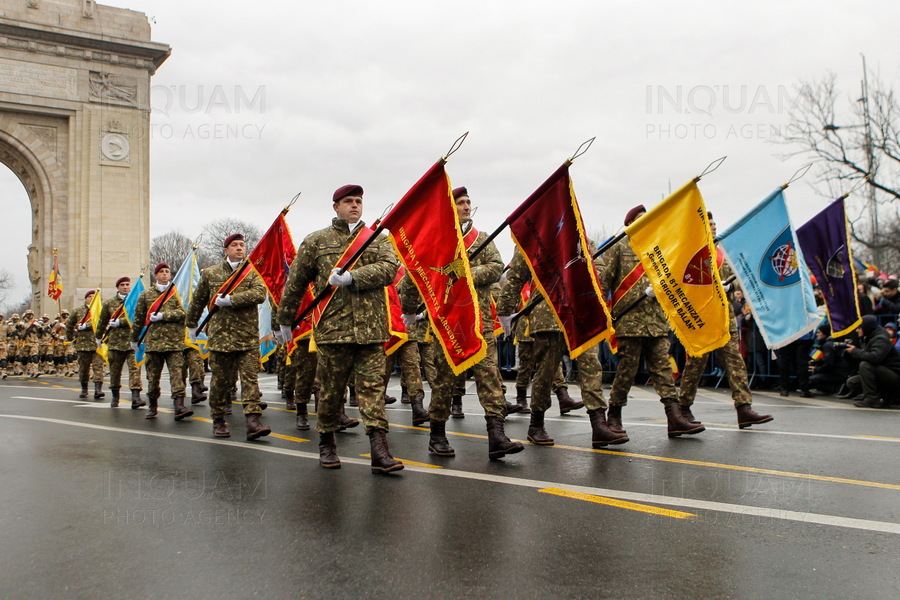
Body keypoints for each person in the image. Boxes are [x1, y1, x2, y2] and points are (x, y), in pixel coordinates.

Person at [277, 184, 403, 473]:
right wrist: (284, 320)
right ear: (336, 206)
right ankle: (326, 442)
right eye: (348, 201)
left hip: (371, 331)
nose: (355, 205)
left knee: (372, 391)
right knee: (331, 392)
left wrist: (352, 277)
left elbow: (388, 269)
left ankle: (379, 449)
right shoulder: (316, 241)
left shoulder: (377, 239)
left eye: (358, 201)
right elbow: (295, 284)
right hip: (334, 331)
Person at [403, 186, 524, 460]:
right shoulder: (436, 241)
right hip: (448, 323)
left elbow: (495, 267)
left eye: (469, 202)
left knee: (490, 377)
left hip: (479, 323)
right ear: (450, 209)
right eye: (460, 203)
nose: (467, 206)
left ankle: (497, 435)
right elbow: (415, 274)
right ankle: (437, 434)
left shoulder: (481, 238)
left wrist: (465, 272)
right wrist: (410, 309)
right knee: (445, 381)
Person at [498, 247, 626, 448]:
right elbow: (515, 276)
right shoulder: (535, 239)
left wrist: (582, 266)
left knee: (591, 366)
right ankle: (536, 424)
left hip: (580, 312)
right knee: (547, 372)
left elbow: (600, 273)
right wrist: (504, 310)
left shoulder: (581, 240)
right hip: (548, 312)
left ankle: (599, 424)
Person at [598, 205, 703, 438]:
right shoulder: (619, 246)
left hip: (655, 321)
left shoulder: (658, 248)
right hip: (629, 321)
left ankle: (674, 417)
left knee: (663, 370)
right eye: (640, 219)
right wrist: (602, 314)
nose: (645, 222)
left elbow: (671, 280)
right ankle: (613, 415)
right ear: (630, 223)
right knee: (627, 371)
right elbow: (604, 283)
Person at [677, 214, 773, 428]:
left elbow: (735, 280)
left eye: (714, 224)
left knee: (735, 360)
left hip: (724, 316)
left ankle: (744, 408)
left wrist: (730, 287)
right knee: (696, 364)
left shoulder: (721, 253)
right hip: (701, 316)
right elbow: (686, 282)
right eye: (708, 224)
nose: (713, 227)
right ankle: (683, 408)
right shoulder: (691, 251)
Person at [187, 234, 271, 440]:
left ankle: (253, 421)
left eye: (242, 245)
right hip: (220, 338)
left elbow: (260, 294)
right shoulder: (210, 273)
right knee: (220, 382)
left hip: (247, 337)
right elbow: (197, 301)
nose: (240, 248)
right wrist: (191, 324)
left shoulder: (251, 272)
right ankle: (218, 419)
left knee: (251, 380)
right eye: (235, 245)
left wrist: (232, 300)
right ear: (226, 250)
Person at [133, 263, 190, 420]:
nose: (165, 274)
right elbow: (138, 319)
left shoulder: (177, 293)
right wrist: (134, 339)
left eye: (167, 271)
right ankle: (152, 405)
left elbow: (184, 313)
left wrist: (164, 316)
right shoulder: (146, 295)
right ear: (156, 275)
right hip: (154, 344)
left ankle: (179, 405)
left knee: (177, 375)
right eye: (161, 272)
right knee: (153, 377)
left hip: (175, 343)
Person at [97, 277, 145, 408]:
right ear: (117, 287)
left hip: (132, 342)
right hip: (115, 343)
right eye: (122, 285)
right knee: (115, 372)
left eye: (127, 284)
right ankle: (115, 396)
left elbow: (139, 318)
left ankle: (136, 397)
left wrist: (121, 322)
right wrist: (98, 337)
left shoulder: (136, 301)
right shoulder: (110, 303)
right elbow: (102, 321)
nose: (125, 287)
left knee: (135, 370)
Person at [844, 315, 900, 408]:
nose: (857, 330)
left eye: (859, 328)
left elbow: (874, 358)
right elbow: (862, 359)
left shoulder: (881, 339)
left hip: (895, 375)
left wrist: (855, 351)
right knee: (852, 382)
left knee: (865, 365)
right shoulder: (869, 337)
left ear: (866, 327)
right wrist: (848, 354)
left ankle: (872, 399)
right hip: (883, 373)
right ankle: (883, 397)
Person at [66, 292, 106, 398]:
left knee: (98, 367)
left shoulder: (100, 311)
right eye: (89, 297)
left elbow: (104, 324)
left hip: (97, 344)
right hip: (83, 345)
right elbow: (69, 325)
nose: (91, 299)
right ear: (85, 299)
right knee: (84, 369)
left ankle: (98, 389)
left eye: (93, 298)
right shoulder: (77, 311)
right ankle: (84, 388)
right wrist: (71, 339)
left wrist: (88, 326)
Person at [808, 323, 849, 395]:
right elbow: (828, 359)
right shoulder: (830, 343)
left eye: (819, 332)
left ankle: (833, 388)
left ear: (824, 334)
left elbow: (828, 364)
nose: (817, 334)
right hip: (838, 372)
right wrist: (816, 361)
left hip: (836, 373)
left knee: (810, 381)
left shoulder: (827, 345)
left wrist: (816, 369)